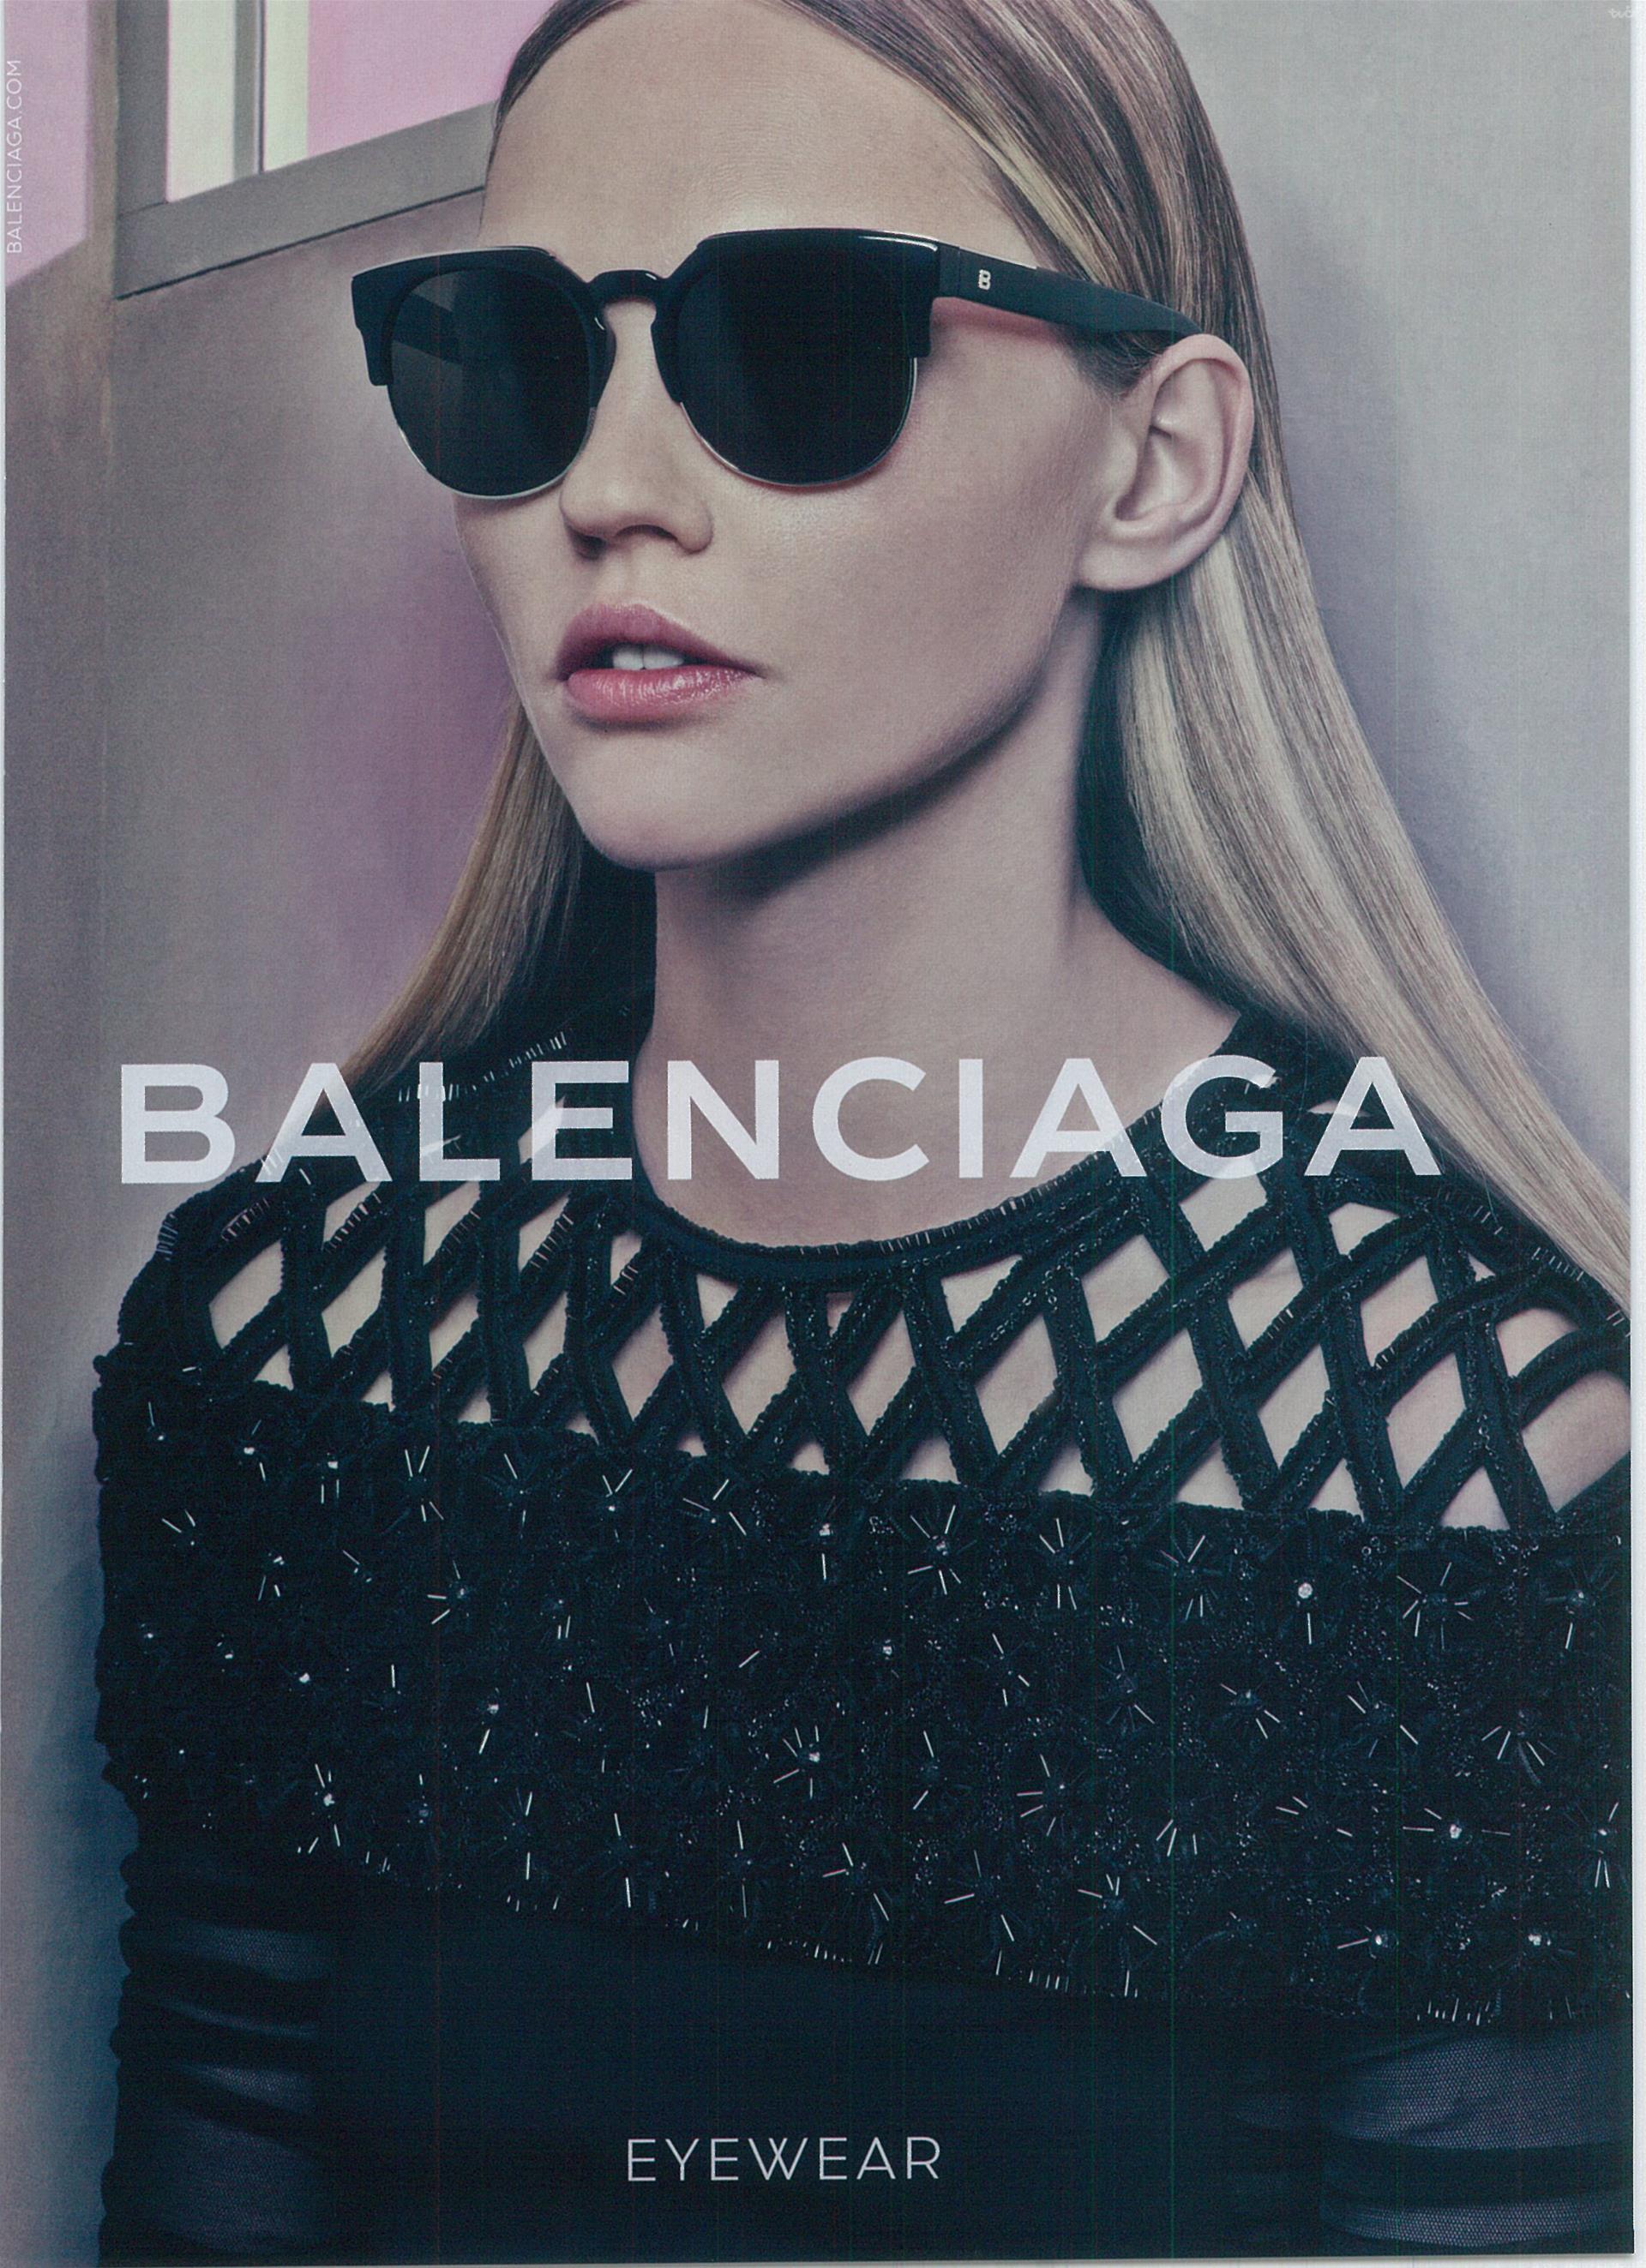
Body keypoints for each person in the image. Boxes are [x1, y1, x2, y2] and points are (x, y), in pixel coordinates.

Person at [92, 0, 1630, 2258]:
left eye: (794, 336)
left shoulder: (1469, 1436)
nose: (608, 491)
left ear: (1154, 466)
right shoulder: (298, 1324)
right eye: (513, 358)